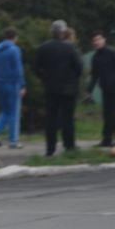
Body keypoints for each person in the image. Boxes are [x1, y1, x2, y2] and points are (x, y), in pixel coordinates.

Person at [34, 19, 84, 156]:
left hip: (51, 88)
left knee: (51, 119)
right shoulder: (70, 47)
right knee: (68, 118)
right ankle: (69, 146)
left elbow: (37, 68)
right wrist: (72, 79)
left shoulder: (44, 48)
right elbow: (79, 67)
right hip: (69, 89)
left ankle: (50, 149)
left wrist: (45, 79)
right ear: (64, 32)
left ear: (52, 33)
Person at [86, 30, 115, 147]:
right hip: (105, 88)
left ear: (104, 40)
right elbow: (94, 75)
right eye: (94, 40)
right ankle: (107, 139)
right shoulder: (95, 57)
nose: (96, 42)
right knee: (107, 114)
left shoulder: (112, 52)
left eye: (98, 39)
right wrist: (89, 90)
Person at [0, 28, 26, 148]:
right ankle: (13, 140)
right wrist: (22, 84)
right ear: (15, 37)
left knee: (5, 110)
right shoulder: (14, 50)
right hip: (12, 83)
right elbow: (18, 69)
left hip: (0, 82)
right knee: (14, 112)